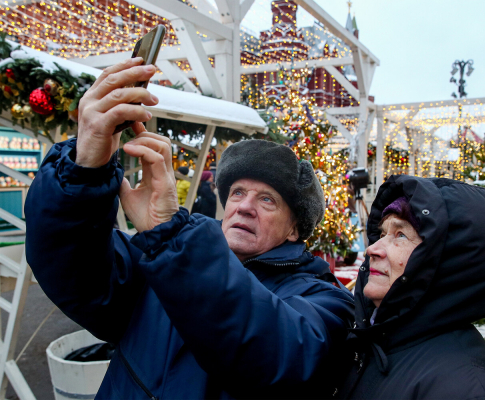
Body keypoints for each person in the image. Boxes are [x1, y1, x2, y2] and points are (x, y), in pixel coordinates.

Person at [24, 58, 354, 399]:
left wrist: (171, 235)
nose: (243, 205)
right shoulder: (160, 260)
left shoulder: (326, 301)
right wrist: (83, 171)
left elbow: (278, 358)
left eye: (267, 200)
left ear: (295, 231)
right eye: (237, 193)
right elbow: (71, 270)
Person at [338, 175, 485, 399]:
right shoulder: (376, 345)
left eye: (401, 235)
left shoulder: (468, 391)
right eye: (382, 234)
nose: (372, 249)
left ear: (447, 261)